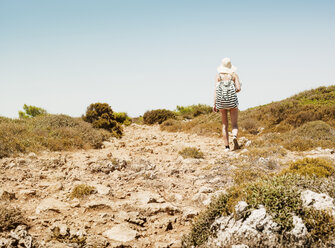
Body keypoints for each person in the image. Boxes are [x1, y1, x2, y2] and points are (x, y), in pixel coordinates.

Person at [213, 57, 241, 152]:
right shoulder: (234, 75)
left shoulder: (218, 76)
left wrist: (214, 104)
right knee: (234, 124)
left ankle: (227, 147)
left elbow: (216, 91)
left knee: (224, 125)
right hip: (232, 102)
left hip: (221, 102)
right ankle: (234, 136)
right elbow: (238, 88)